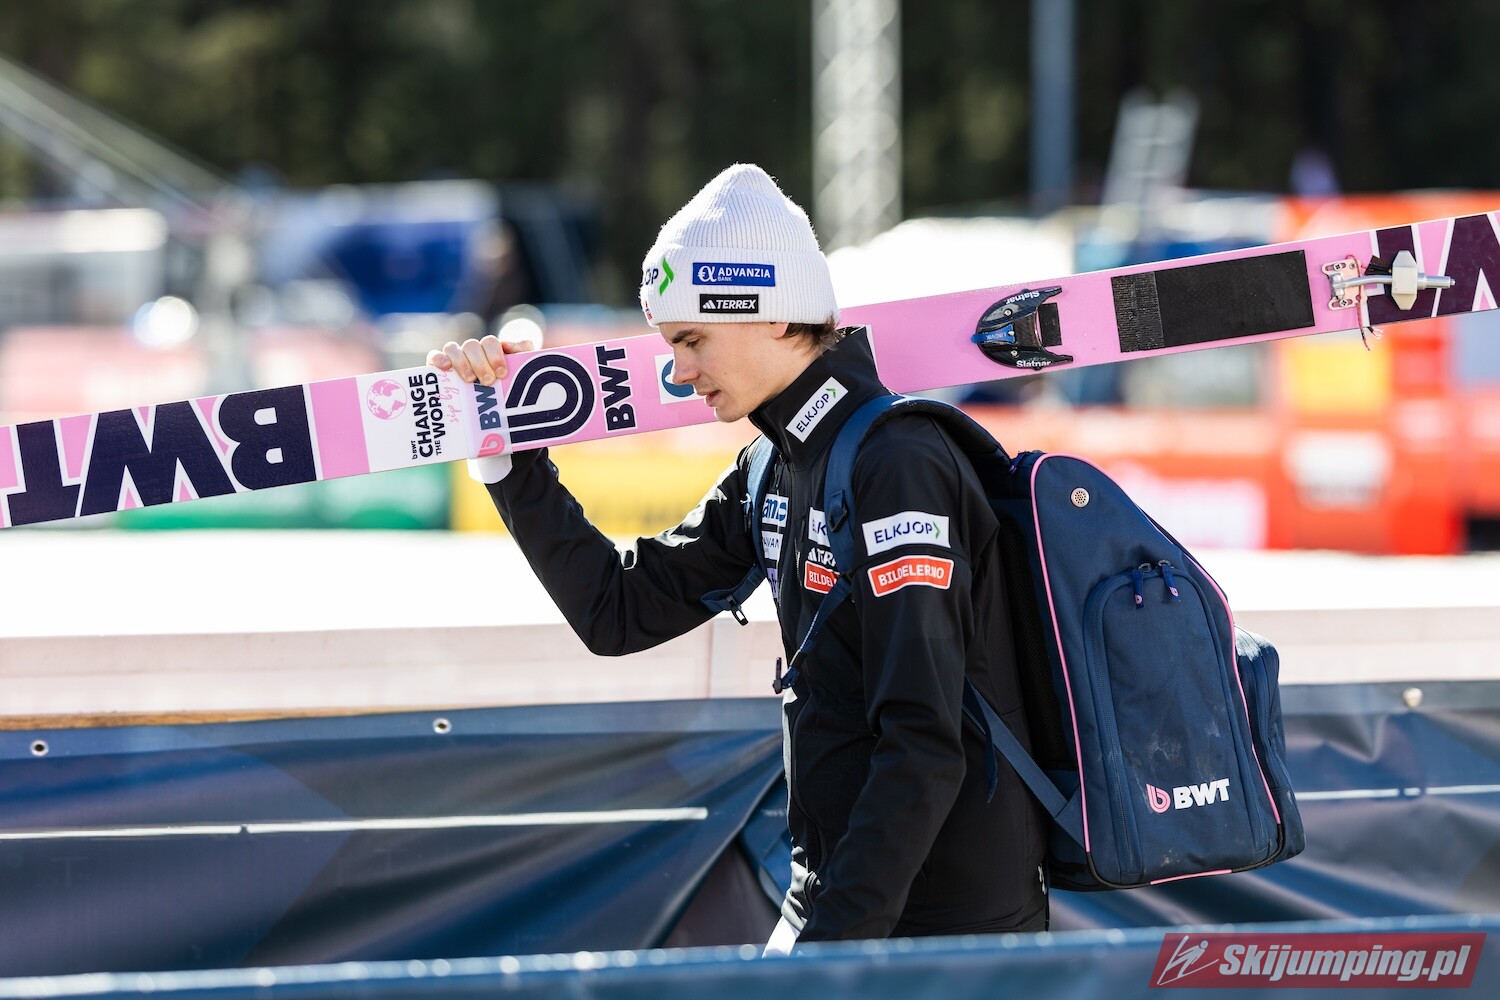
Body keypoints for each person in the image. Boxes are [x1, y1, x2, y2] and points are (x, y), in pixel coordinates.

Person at [428, 164, 1048, 951]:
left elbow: (922, 745)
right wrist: (509, 458)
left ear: (772, 314)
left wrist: (828, 954)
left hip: (942, 934)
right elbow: (618, 612)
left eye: (692, 340)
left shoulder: (898, 463)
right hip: (837, 905)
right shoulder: (772, 464)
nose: (678, 372)